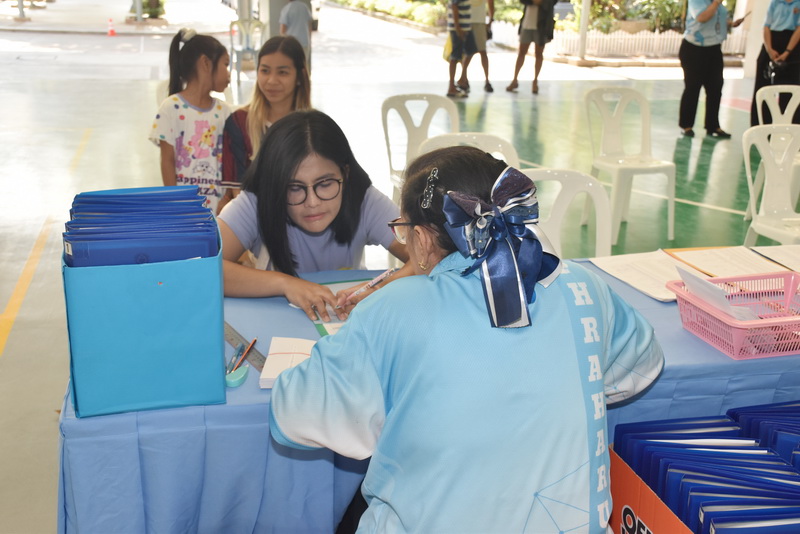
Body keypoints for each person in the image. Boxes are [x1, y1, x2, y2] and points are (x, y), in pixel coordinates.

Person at [268, 146, 665, 532]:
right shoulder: (582, 284)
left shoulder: (394, 309)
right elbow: (640, 367)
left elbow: (295, 416)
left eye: (404, 231)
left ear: (423, 239)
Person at [217, 110, 410, 320]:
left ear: (345, 174)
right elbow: (200, 271)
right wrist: (284, 283)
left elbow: (429, 256)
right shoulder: (256, 202)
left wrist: (381, 287)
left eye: (325, 183)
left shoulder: (365, 200)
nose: (312, 202)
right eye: (294, 187)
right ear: (275, 184)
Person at [149, 28, 231, 213]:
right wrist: (176, 204)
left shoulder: (225, 112)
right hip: (184, 211)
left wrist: (226, 200)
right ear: (206, 63)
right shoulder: (171, 108)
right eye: (225, 65)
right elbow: (167, 160)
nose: (228, 74)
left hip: (219, 212)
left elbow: (230, 162)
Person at [220, 36, 311, 198]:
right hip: (250, 212)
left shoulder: (313, 127)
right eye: (265, 71)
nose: (271, 81)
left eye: (282, 72)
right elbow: (238, 194)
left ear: (299, 76)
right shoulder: (239, 123)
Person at [679, 0, 744, 138]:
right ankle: (686, 126)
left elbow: (716, 19)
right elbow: (702, 18)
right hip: (694, 49)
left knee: (715, 88)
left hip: (713, 48)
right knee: (693, 87)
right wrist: (715, 3)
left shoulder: (716, 3)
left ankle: (713, 126)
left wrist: (731, 23)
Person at [750, 0, 800, 126]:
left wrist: (787, 52)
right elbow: (766, 26)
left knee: (789, 91)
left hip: (792, 45)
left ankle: (787, 128)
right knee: (762, 87)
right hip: (772, 42)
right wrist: (769, 49)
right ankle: (760, 126)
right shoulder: (775, 3)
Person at [506, 0, 557, 95]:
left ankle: (535, 81)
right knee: (521, 53)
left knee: (539, 54)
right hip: (527, 23)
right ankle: (514, 80)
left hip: (542, 25)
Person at [458, 0, 495, 93]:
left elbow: (491, 3)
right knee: (468, 52)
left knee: (482, 52)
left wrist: (490, 20)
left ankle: (487, 80)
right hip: (467, 22)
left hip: (480, 23)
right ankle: (463, 78)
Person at [446, 0, 477, 97]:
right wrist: (458, 28)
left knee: (471, 50)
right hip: (459, 28)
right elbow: (454, 6)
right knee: (455, 56)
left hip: (466, 27)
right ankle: (451, 87)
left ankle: (462, 79)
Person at [279, 0, 313, 66]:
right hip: (304, 42)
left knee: (291, 66)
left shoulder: (287, 9)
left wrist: (281, 44)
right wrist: (309, 39)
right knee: (303, 65)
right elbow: (309, 25)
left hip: (290, 44)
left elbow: (282, 30)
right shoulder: (304, 7)